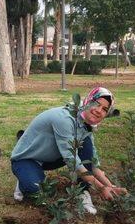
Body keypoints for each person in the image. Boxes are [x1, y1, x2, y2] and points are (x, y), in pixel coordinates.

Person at [10, 87, 127, 215]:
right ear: (87, 101)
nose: (99, 110)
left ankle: (83, 191)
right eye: (96, 104)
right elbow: (72, 161)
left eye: (104, 109)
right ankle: (24, 179)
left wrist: (111, 187)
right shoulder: (64, 118)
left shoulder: (86, 126)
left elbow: (92, 164)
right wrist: (101, 188)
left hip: (51, 158)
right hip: (27, 158)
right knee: (37, 192)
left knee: (85, 144)